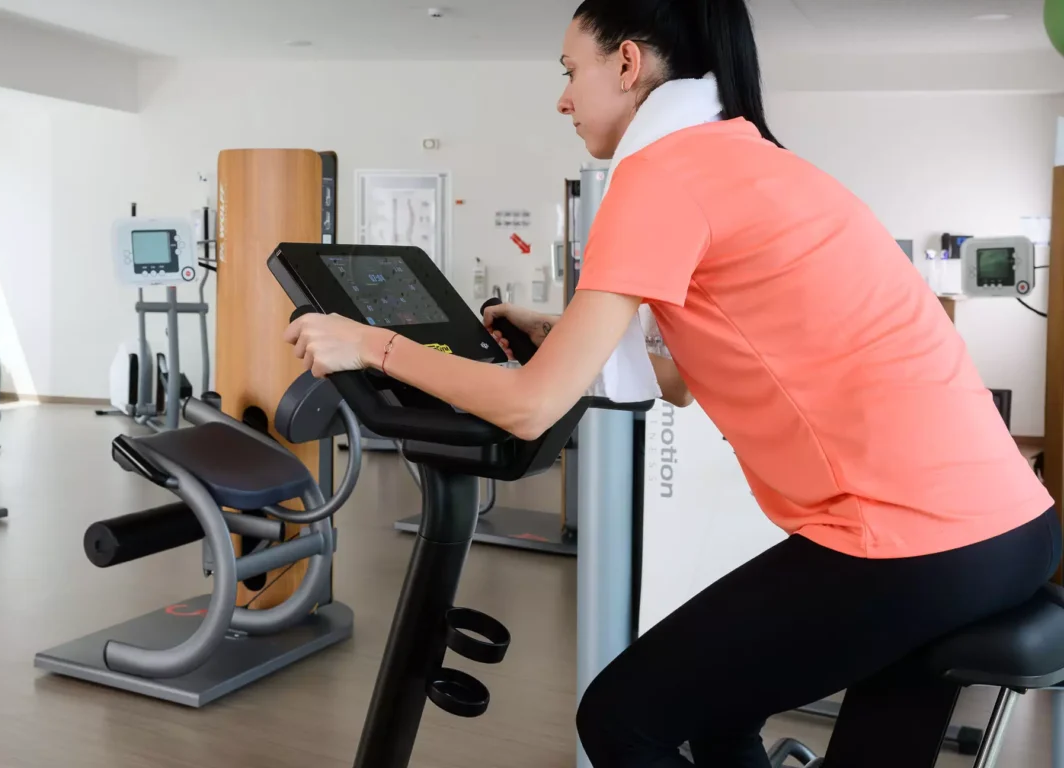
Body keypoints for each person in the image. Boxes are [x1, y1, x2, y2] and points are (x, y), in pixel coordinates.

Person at [283, 0, 1061, 765]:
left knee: (623, 721)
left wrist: (368, 343)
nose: (562, 99)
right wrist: (560, 336)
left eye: (569, 71)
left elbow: (529, 405)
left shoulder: (661, 173)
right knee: (719, 715)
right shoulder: (751, 157)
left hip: (907, 540)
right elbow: (686, 379)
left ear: (627, 63)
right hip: (1011, 527)